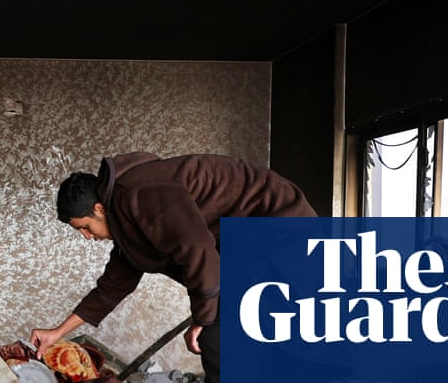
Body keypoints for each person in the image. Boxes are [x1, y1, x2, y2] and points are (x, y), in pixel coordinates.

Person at [29, 152, 316, 383]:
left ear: (99, 209)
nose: (87, 237)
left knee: (220, 335)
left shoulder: (141, 192)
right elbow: (111, 288)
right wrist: (57, 332)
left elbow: (197, 249)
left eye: (84, 227)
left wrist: (202, 318)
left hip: (276, 227)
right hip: (245, 245)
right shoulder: (126, 223)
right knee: (227, 330)